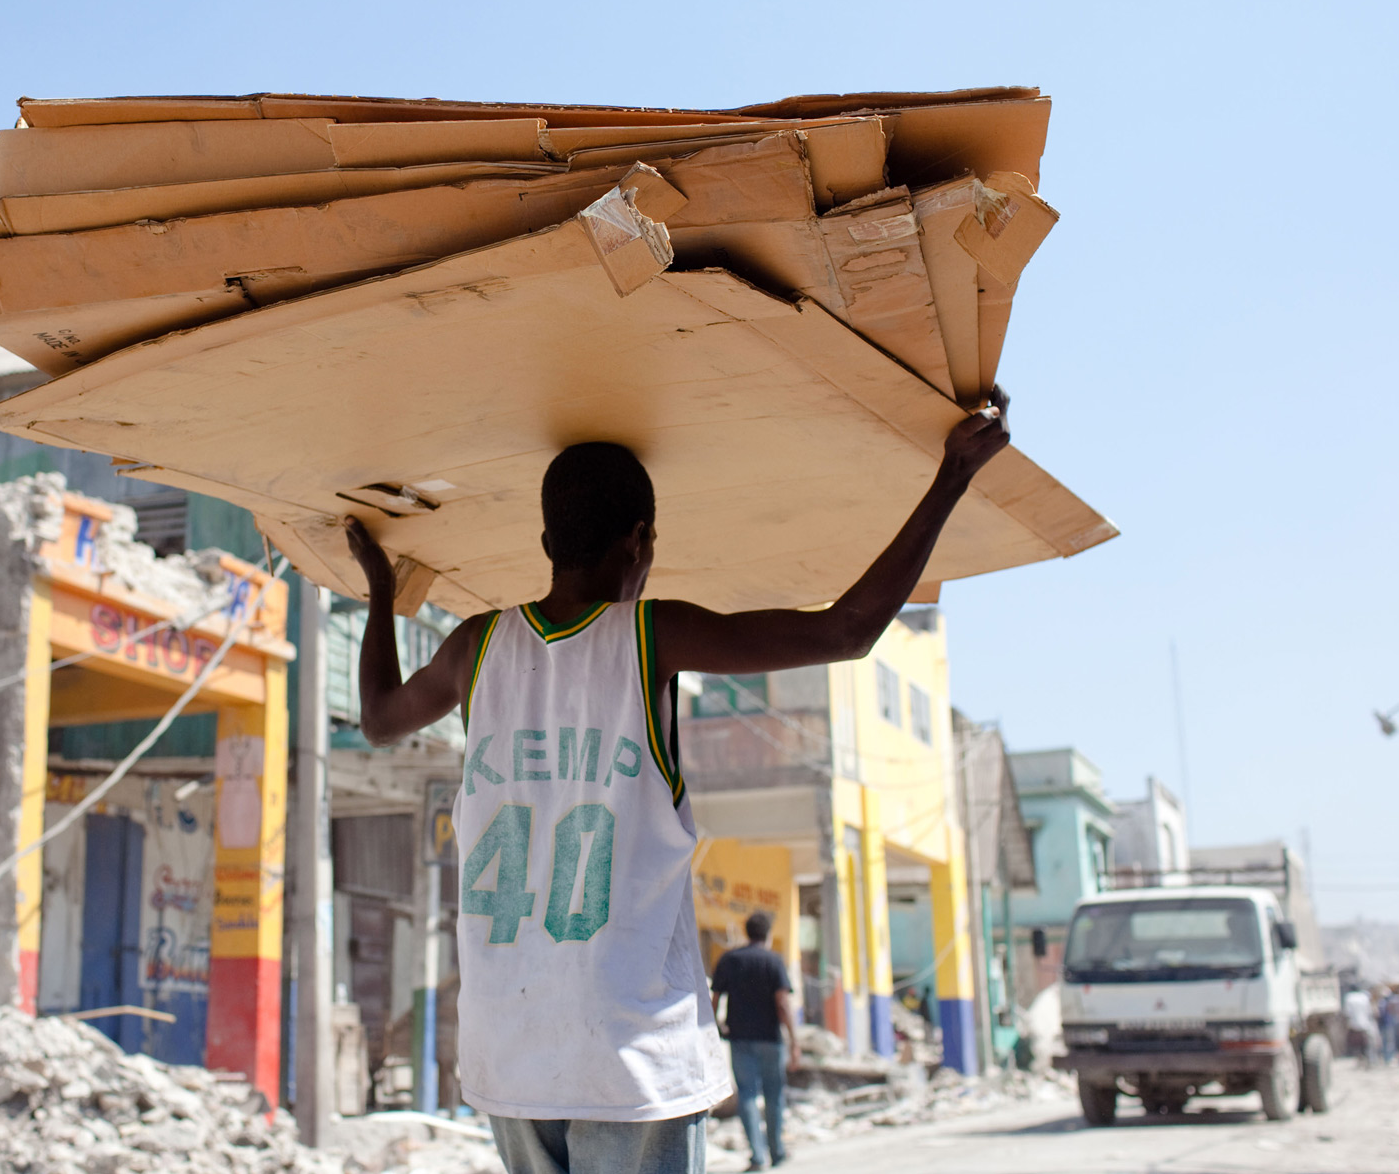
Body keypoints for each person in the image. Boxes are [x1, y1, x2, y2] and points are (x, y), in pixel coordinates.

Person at [347, 394, 1013, 1174]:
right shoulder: (651, 635)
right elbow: (848, 629)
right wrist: (952, 476)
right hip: (631, 1052)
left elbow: (380, 719)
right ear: (639, 542)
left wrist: (384, 592)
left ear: (545, 542)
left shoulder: (475, 646)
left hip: (510, 1051)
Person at [710, 913, 798, 1171]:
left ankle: (757, 1156)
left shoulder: (729, 959)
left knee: (747, 1096)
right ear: (768, 934)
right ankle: (777, 1150)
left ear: (747, 932)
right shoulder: (774, 961)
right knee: (774, 1095)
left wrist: (716, 1027)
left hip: (739, 1039)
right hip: (771, 1039)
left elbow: (715, 999)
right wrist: (794, 1040)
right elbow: (782, 1002)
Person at [1342, 984, 1376, 1068]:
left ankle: (1360, 1061)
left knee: (1356, 1045)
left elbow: (1347, 1013)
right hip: (1365, 1024)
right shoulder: (1364, 997)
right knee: (1366, 1044)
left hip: (1353, 1025)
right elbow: (1369, 1011)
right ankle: (1369, 1061)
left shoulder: (1349, 997)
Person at [1377, 987, 1399, 1065]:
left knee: (1386, 1042)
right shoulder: (1388, 1003)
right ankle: (1388, 1058)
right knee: (1389, 1042)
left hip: (1384, 1025)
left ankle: (1387, 1058)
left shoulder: (1381, 1003)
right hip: (1388, 1024)